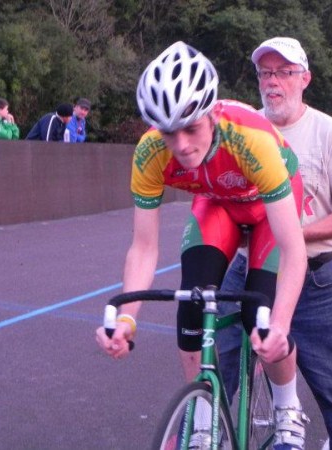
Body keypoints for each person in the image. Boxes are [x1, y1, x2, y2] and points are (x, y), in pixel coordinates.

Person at [95, 41, 310, 449]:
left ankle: (287, 408)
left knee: (260, 318)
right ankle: (203, 418)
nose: (181, 145)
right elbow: (143, 248)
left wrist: (280, 322)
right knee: (191, 303)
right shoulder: (150, 154)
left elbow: (293, 247)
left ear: (213, 114)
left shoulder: (251, 139)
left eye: (191, 128)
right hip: (218, 205)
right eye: (167, 132)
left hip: (268, 211)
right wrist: (127, 318)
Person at [216, 37, 332, 449]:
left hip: (315, 280)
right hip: (247, 270)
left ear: (305, 78)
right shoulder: (242, 127)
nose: (273, 82)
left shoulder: (329, 134)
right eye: (266, 73)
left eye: (284, 73)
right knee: (218, 370)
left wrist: (288, 235)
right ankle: (200, 435)